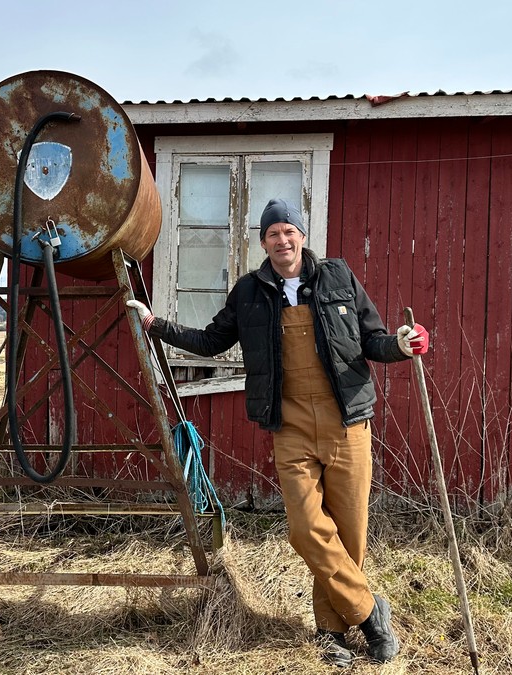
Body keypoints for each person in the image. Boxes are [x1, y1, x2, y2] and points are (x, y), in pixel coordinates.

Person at [127, 198, 429, 667]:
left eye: (289, 231)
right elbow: (211, 341)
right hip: (289, 426)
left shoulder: (338, 276)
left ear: (302, 236)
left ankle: (331, 632)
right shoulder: (249, 291)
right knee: (307, 530)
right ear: (263, 242)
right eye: (272, 234)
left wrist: (402, 346)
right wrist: (156, 324)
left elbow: (372, 339)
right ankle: (371, 613)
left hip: (346, 422)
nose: (282, 241)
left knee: (349, 537)